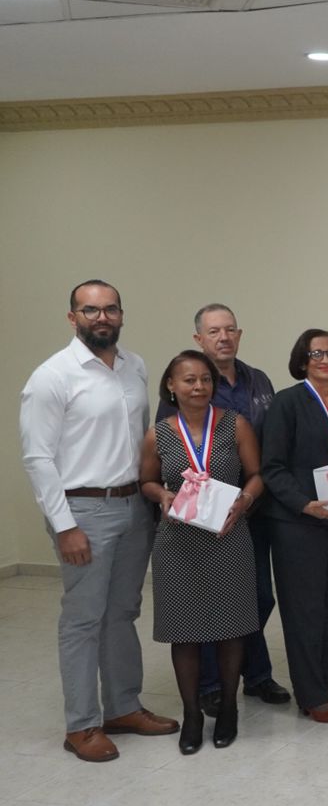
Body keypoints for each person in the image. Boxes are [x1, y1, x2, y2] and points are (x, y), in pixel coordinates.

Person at [20, 280, 179, 762]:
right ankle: (82, 724)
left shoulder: (135, 367)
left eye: (110, 309)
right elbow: (38, 458)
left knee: (122, 613)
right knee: (84, 619)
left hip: (134, 507)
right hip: (82, 509)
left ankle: (123, 707)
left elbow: (144, 441)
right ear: (73, 318)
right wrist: (64, 524)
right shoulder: (52, 376)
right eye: (91, 311)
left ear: (122, 314)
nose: (102, 317)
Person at [156, 304, 289, 714]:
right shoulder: (186, 385)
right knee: (207, 601)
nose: (223, 337)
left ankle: (254, 675)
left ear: (239, 334)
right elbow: (171, 452)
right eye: (214, 331)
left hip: (256, 506)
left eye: (230, 329)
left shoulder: (259, 380)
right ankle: (213, 683)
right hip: (202, 520)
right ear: (199, 338)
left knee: (256, 598)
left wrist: (251, 494)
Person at [138, 351, 265, 753]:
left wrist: (243, 501)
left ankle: (228, 707)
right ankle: (192, 714)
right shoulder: (158, 433)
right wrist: (161, 494)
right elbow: (145, 481)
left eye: (205, 380)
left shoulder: (235, 424)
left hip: (228, 537)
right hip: (178, 543)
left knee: (231, 628)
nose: (198, 387)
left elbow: (257, 475)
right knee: (185, 633)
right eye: (188, 380)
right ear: (171, 386)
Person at [259, 328, 328, 722]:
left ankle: (321, 684)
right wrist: (305, 505)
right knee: (304, 610)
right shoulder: (287, 403)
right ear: (302, 359)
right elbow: (271, 467)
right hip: (298, 523)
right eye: (316, 353)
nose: (325, 359)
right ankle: (310, 696)